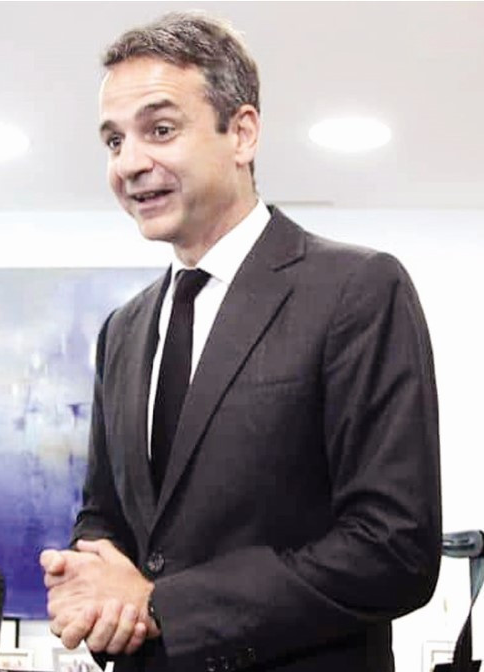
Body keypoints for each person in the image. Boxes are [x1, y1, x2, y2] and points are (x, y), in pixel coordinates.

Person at [40, 11, 441, 672]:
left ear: (243, 133)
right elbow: (104, 514)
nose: (129, 163)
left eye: (159, 130)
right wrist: (89, 577)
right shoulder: (123, 330)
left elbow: (392, 549)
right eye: (113, 141)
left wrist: (164, 605)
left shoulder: (357, 289)